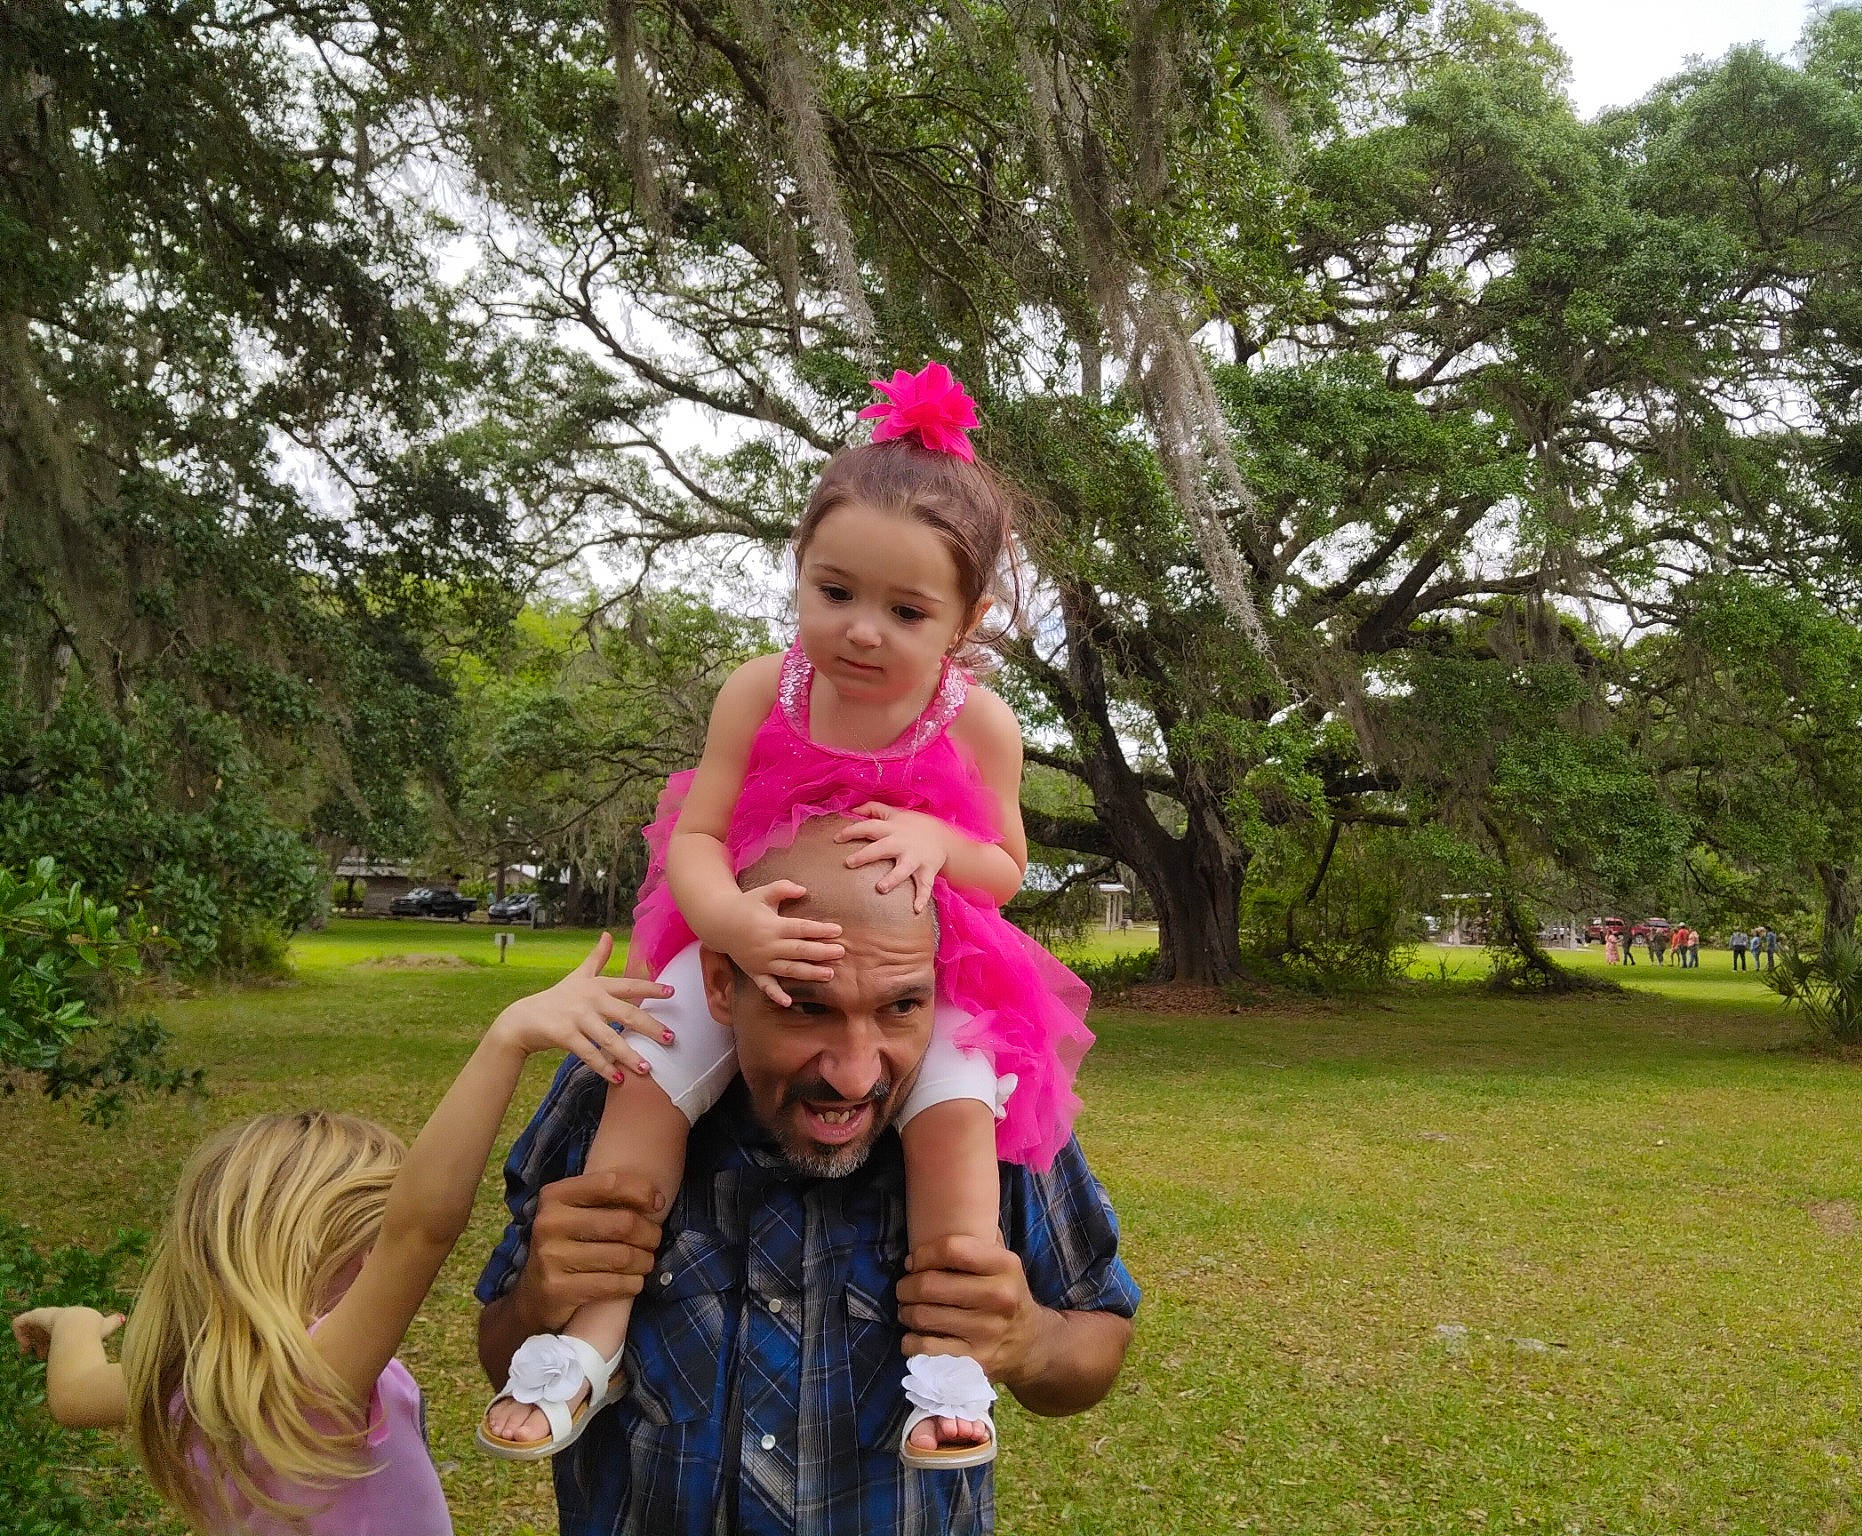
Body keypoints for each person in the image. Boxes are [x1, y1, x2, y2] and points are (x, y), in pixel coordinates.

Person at [480, 364, 1092, 1469]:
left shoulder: (979, 725)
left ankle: (947, 1369)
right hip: (752, 941)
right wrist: (731, 930)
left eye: (906, 612)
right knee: (645, 1075)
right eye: (833, 592)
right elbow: (699, 835)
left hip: (925, 966)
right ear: (799, 576)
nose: (861, 633)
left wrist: (935, 844)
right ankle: (592, 1332)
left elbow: (1002, 864)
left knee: (956, 1121)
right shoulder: (764, 688)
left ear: (966, 620)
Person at [474, 819, 1137, 1536]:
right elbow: (501, 1350)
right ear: (723, 987)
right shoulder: (610, 1092)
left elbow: (1098, 1334)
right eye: (808, 1007)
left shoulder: (994, 1118)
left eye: (901, 1007)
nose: (855, 1073)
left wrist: (1030, 1340)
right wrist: (541, 1295)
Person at [11, 940, 668, 1536]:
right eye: (370, 1238)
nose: (377, 1260)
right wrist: (507, 1039)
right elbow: (421, 1230)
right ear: (320, 1248)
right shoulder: (310, 1384)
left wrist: (69, 1322)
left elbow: (72, 1394)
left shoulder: (193, 1380)